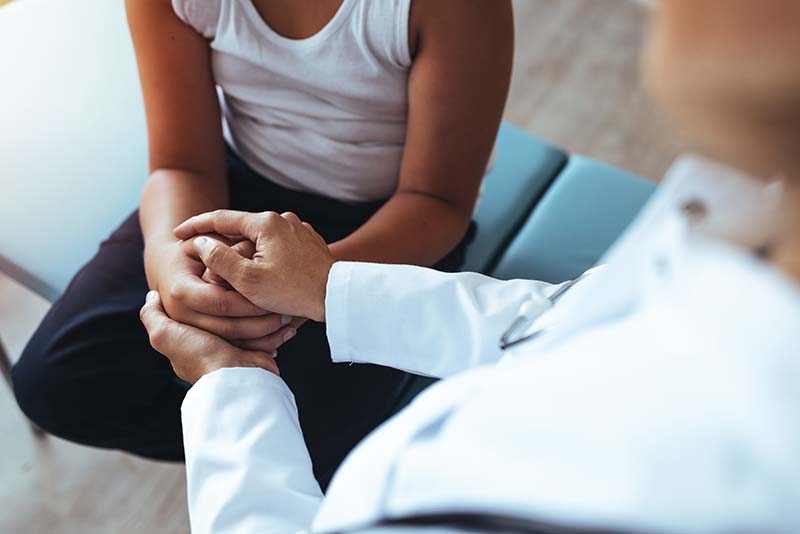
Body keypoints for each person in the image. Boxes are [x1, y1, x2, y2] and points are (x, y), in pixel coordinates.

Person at [139, 0, 800, 532]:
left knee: (317, 422)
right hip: (292, 248)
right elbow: (550, 323)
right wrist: (327, 287)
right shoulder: (741, 221)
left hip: (371, 246)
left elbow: (439, 206)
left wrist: (231, 383)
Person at [11, 0, 513, 486]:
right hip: (236, 189)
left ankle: (299, 459)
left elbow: (438, 203)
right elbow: (179, 165)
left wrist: (315, 282)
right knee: (54, 382)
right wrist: (170, 262)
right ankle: (259, 453)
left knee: (323, 447)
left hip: (393, 222)